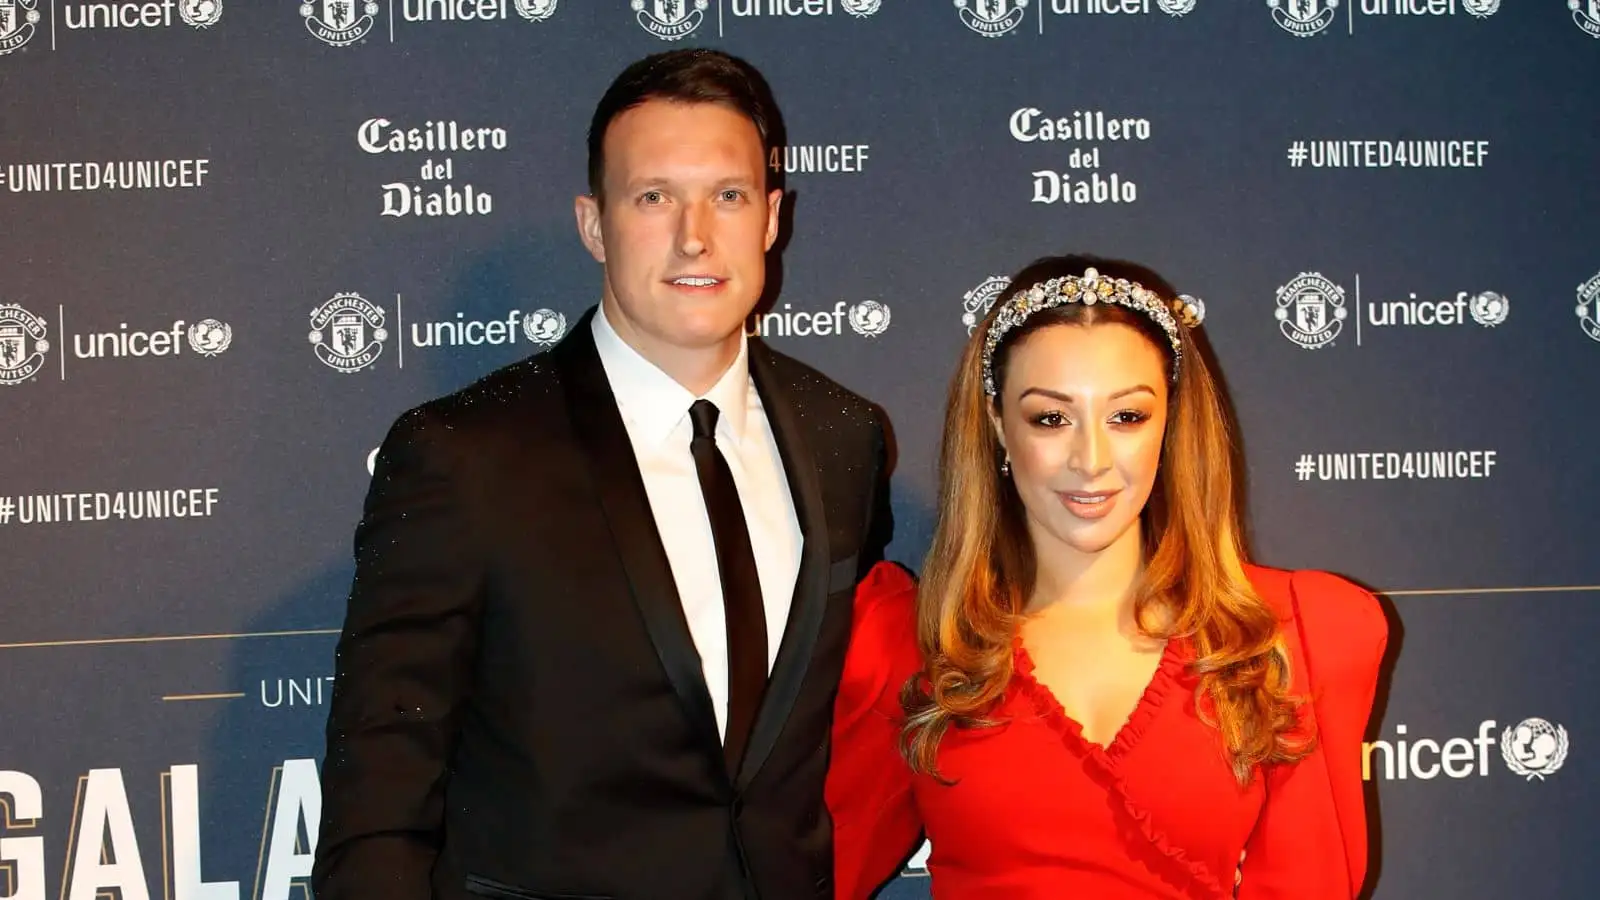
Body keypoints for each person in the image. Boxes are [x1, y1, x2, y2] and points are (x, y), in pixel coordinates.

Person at [312, 49, 893, 900]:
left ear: (771, 218)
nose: (695, 234)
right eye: (654, 196)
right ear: (594, 223)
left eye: (727, 196)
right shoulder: (462, 454)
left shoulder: (845, 436)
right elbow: (382, 785)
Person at [827, 255, 1387, 899]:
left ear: (1169, 422)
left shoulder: (1290, 633)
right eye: (1050, 417)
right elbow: (821, 872)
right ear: (997, 426)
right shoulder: (908, 640)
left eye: (1127, 417)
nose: (1091, 460)